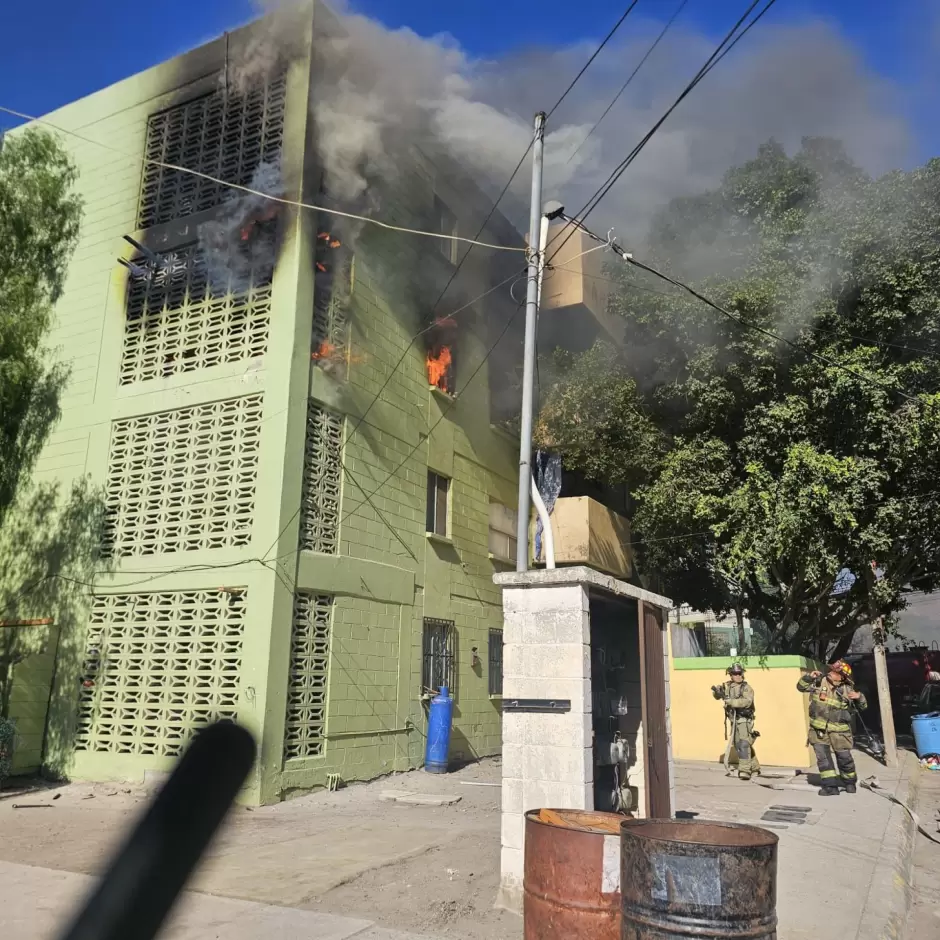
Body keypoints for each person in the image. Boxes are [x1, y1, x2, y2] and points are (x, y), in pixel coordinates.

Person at [797, 660, 867, 796]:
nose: (830, 672)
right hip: (819, 731)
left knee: (844, 758)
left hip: (840, 732)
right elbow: (800, 687)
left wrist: (860, 698)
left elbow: (862, 708)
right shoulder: (819, 681)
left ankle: (849, 783)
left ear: (842, 676)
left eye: (834, 671)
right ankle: (830, 786)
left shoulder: (848, 689)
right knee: (823, 760)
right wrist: (808, 677)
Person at [712, 663, 760, 780]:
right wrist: (718, 692)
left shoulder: (746, 688)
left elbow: (746, 702)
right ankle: (754, 767)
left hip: (744, 720)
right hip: (733, 720)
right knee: (740, 745)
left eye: (739, 673)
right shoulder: (727, 686)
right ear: (731, 675)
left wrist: (731, 701)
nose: (738, 676)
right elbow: (717, 696)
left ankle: (745, 770)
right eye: (735, 674)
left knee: (743, 744)